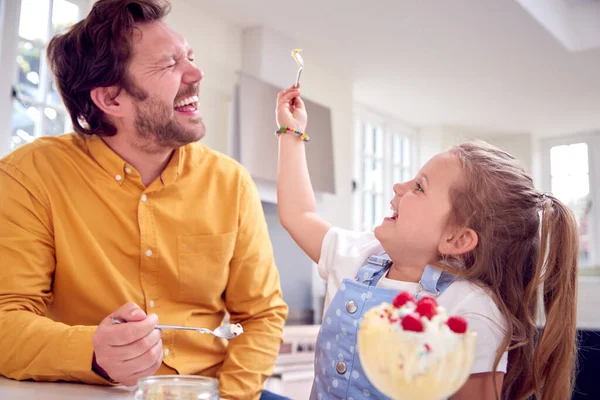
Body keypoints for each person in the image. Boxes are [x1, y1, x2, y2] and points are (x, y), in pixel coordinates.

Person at [0, 1, 288, 399]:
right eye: (169, 65)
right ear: (111, 100)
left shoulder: (230, 182)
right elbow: (5, 318)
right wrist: (93, 354)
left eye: (189, 56)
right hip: (91, 389)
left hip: (210, 390)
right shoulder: (30, 175)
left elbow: (262, 314)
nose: (197, 72)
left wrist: (230, 396)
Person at [275, 86, 578, 400]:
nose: (398, 186)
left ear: (456, 238)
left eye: (419, 187)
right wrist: (291, 132)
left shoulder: (472, 310)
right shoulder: (358, 256)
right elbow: (299, 214)